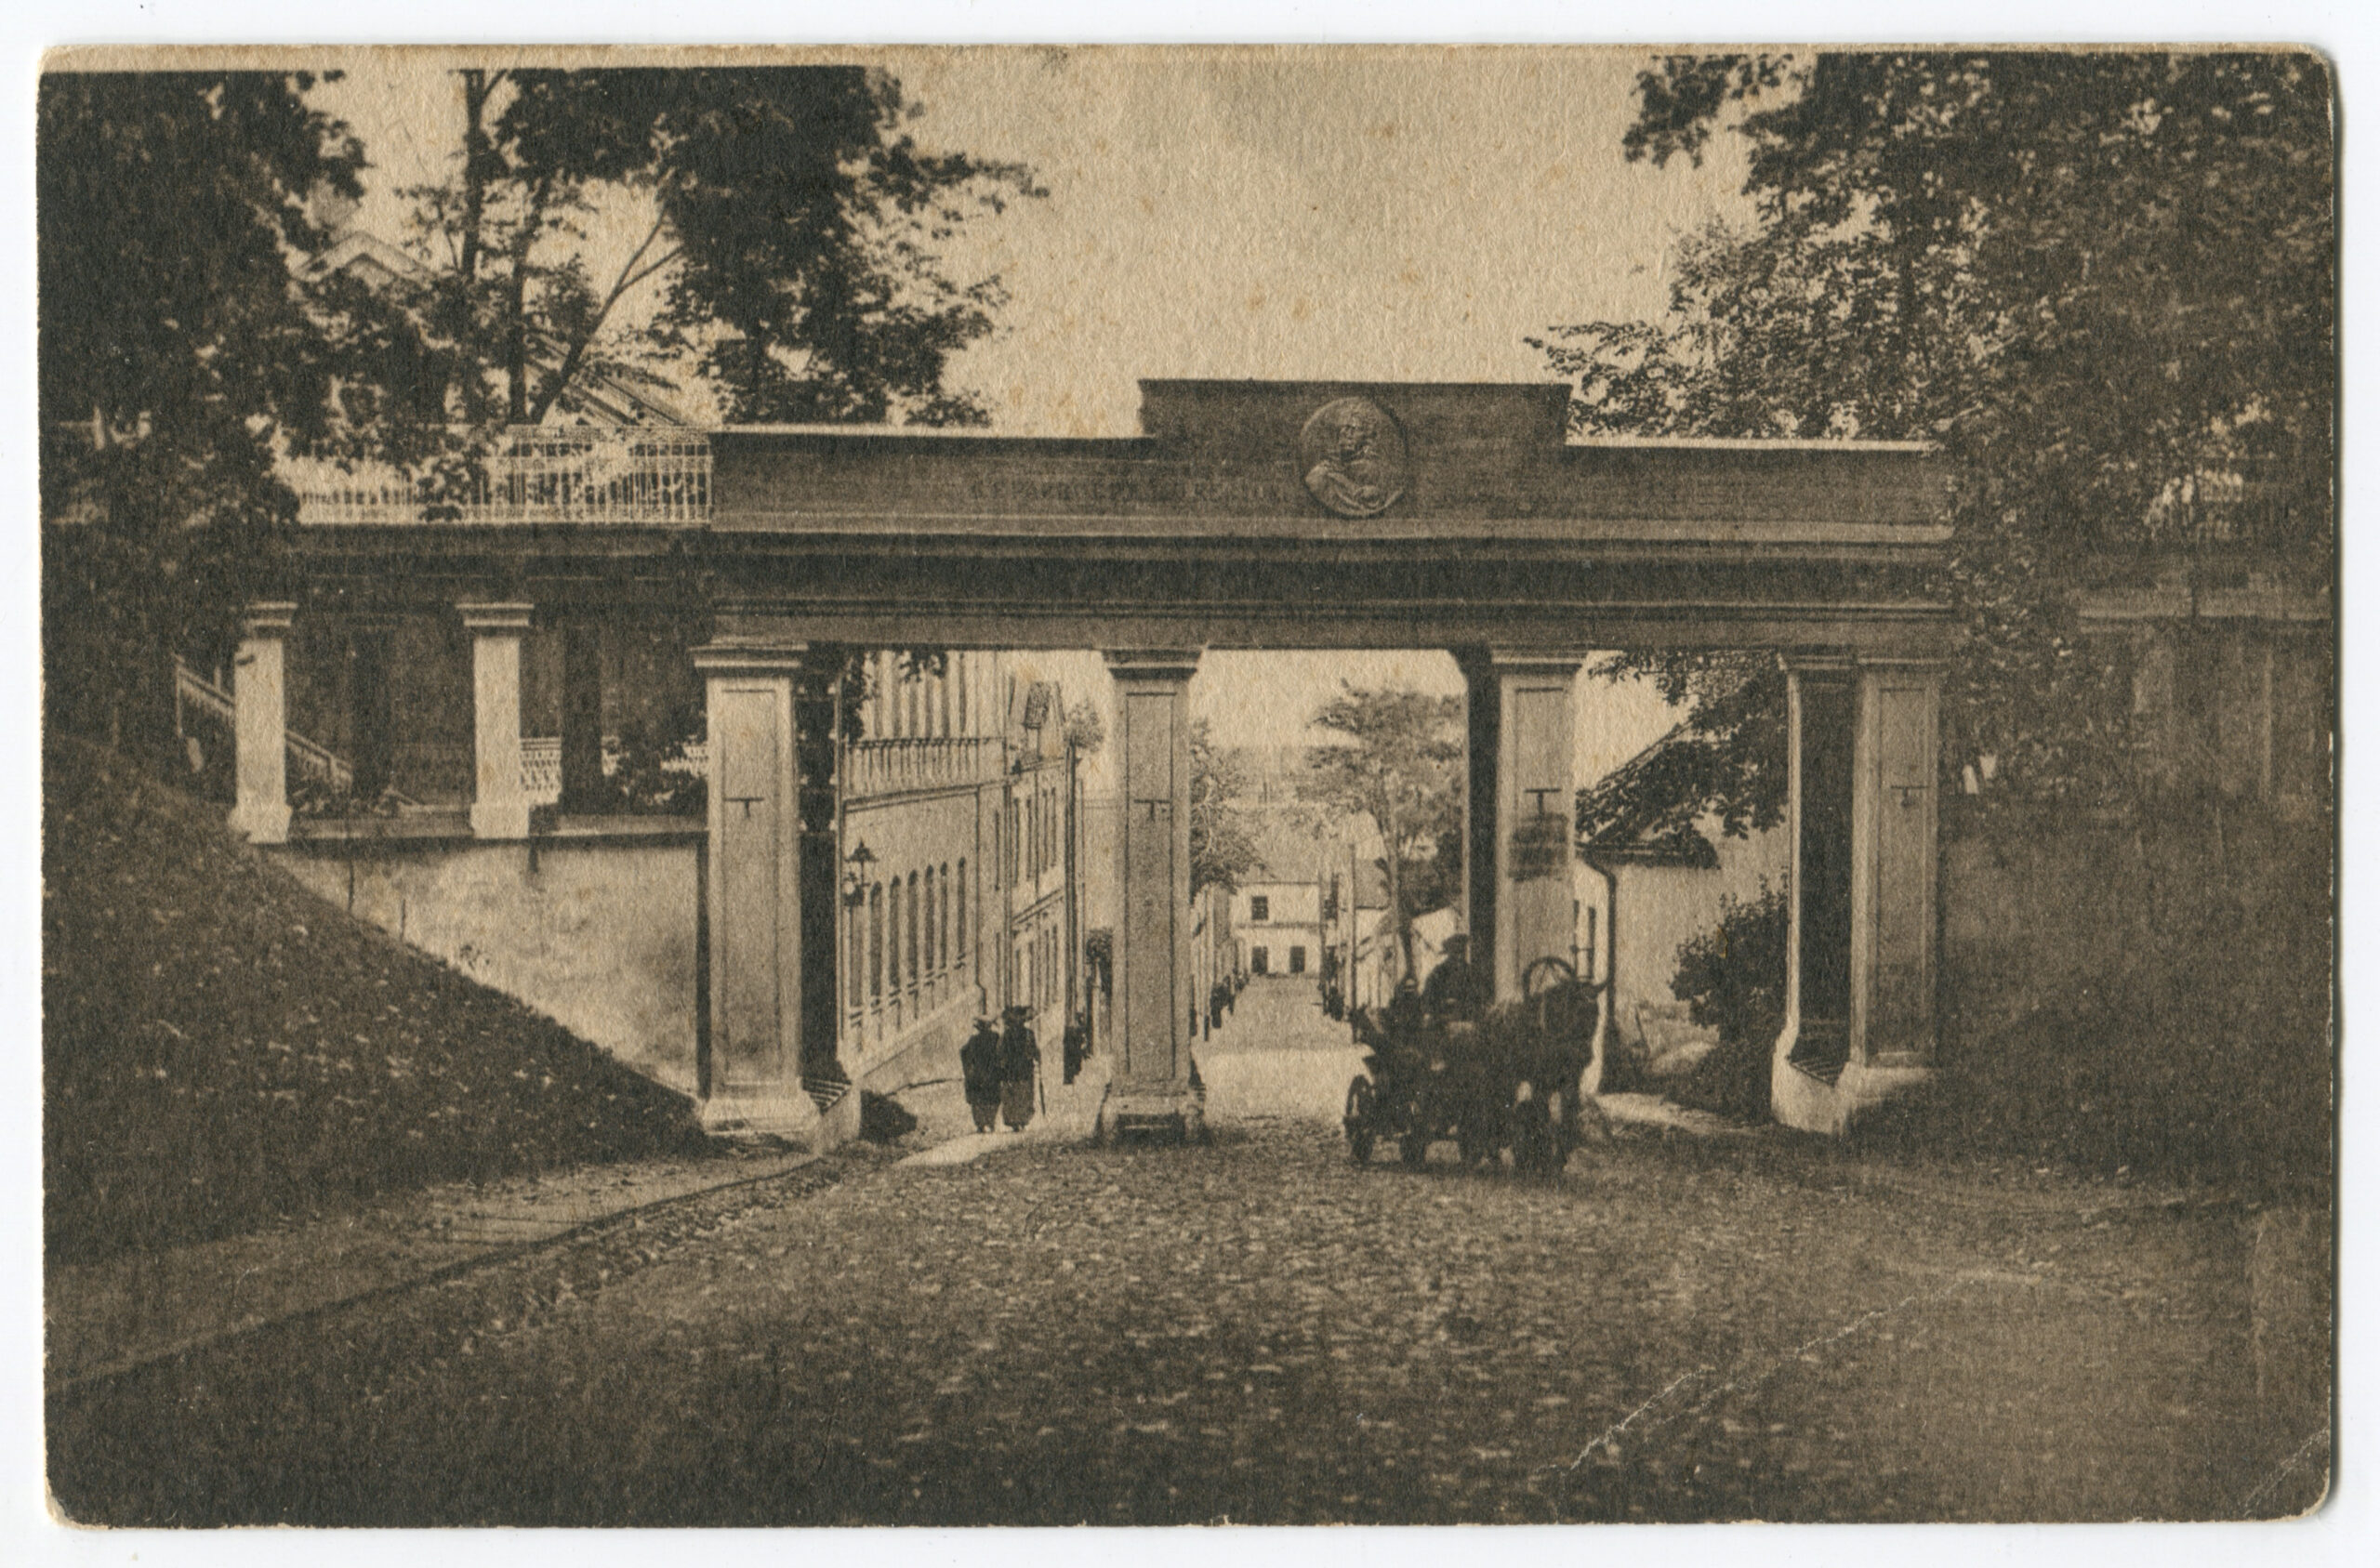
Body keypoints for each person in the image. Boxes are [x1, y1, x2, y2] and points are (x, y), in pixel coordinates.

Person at [1421, 932, 1488, 1028]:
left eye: (1462, 952)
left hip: (1467, 1023)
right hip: (1443, 1024)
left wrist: (1465, 1006)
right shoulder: (1438, 973)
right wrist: (1444, 1004)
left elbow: (1480, 1000)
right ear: (1449, 953)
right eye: (1456, 952)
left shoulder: (1471, 973)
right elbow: (1426, 1002)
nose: (1459, 957)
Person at [960, 1011, 1004, 1133]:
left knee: (979, 1098)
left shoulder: (974, 1039)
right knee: (992, 1098)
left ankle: (981, 1123)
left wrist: (969, 1068)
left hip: (979, 1072)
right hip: (992, 1072)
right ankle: (990, 1122)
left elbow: (964, 1052)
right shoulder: (995, 1037)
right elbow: (1001, 1052)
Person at [999, 1005, 1040, 1132]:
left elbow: (1000, 1051)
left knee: (1017, 1094)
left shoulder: (1009, 1034)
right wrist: (1037, 1057)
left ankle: (1017, 1121)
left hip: (1015, 1069)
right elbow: (1035, 1051)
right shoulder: (1027, 1033)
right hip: (1021, 1069)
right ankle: (1020, 1120)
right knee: (1021, 1094)